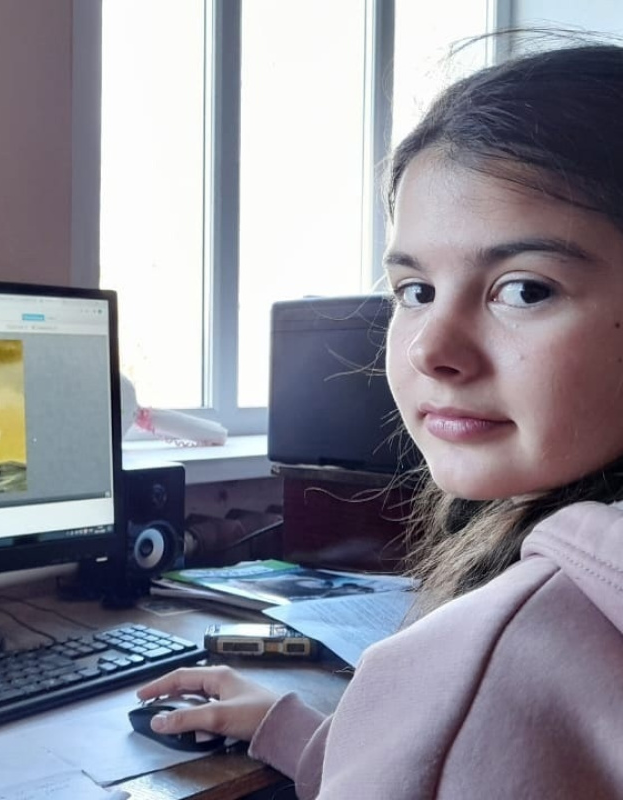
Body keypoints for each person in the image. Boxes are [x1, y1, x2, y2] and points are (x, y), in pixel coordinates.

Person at [137, 41, 623, 798]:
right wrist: (340, 741)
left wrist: (419, 730)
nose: (430, 349)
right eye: (414, 291)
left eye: (525, 289)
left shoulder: (502, 654)